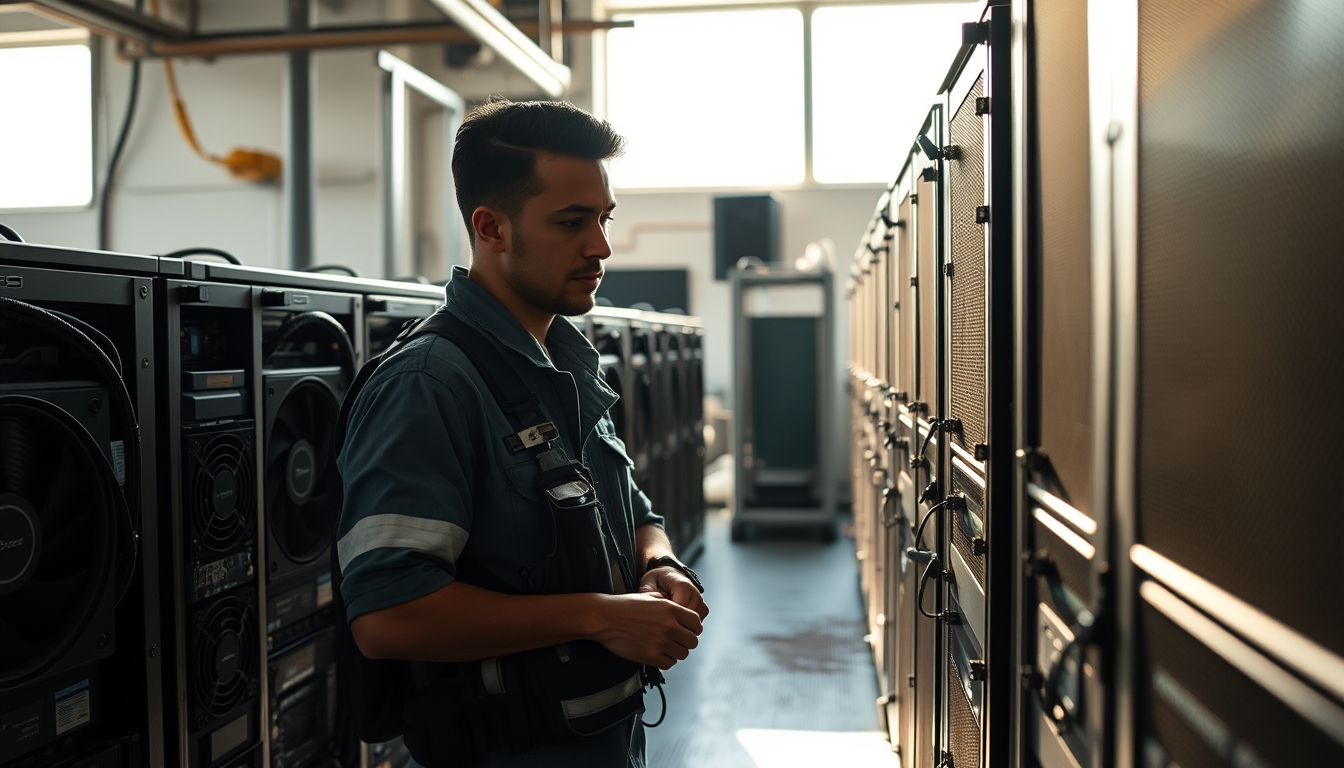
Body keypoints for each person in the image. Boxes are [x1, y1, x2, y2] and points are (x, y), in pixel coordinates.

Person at [335, 99, 710, 767]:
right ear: (492, 227)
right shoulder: (430, 384)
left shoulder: (565, 362)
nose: (599, 246)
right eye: (571, 222)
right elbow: (389, 615)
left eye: (602, 219)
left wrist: (659, 564)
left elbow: (633, 509)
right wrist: (601, 614)